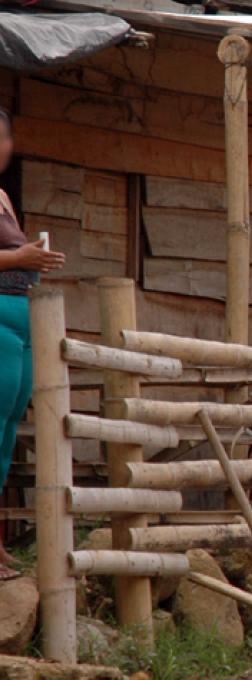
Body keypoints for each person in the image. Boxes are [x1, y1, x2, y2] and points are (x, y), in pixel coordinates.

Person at [0, 106, 68, 580]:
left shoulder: (3, 197)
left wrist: (31, 260)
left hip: (22, 324)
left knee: (6, 436)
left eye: (3, 136)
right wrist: (17, 257)